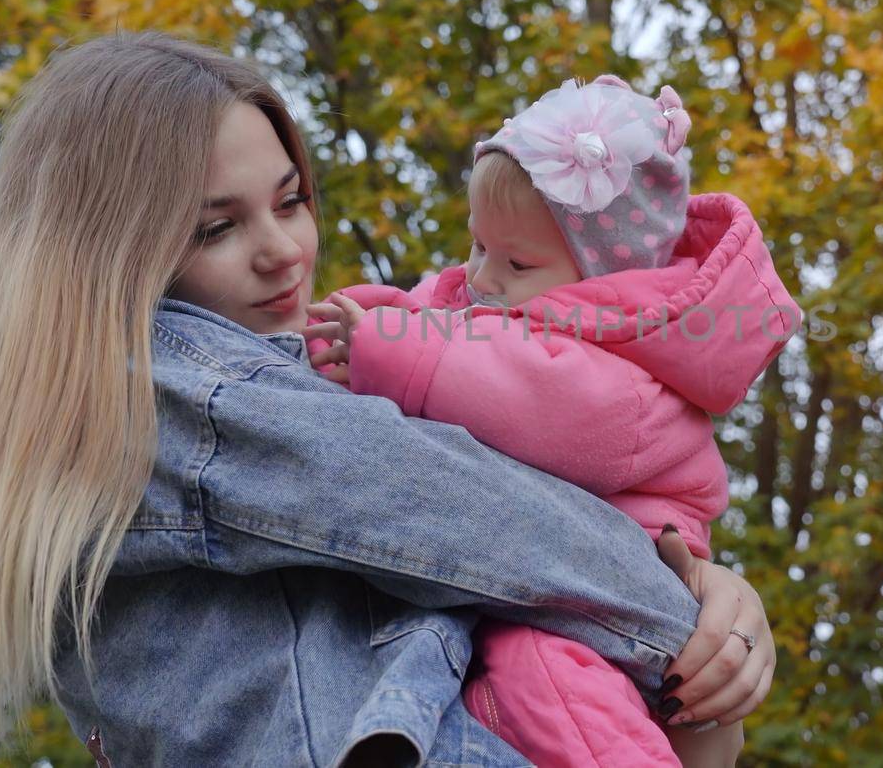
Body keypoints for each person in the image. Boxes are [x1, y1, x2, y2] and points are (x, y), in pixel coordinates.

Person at [0, 32, 774, 766]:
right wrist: (689, 611)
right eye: (217, 227)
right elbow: (454, 507)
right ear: (104, 252)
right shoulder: (167, 388)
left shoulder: (265, 395)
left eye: (292, 201)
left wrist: (704, 634)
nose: (284, 251)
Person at [306, 75, 797, 766]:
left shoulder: (618, 373)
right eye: (476, 246)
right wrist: (358, 319)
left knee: (541, 677)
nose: (482, 275)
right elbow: (436, 323)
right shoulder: (505, 303)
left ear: (597, 279)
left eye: (515, 260)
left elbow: (527, 397)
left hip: (612, 589)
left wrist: (385, 347)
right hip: (544, 571)